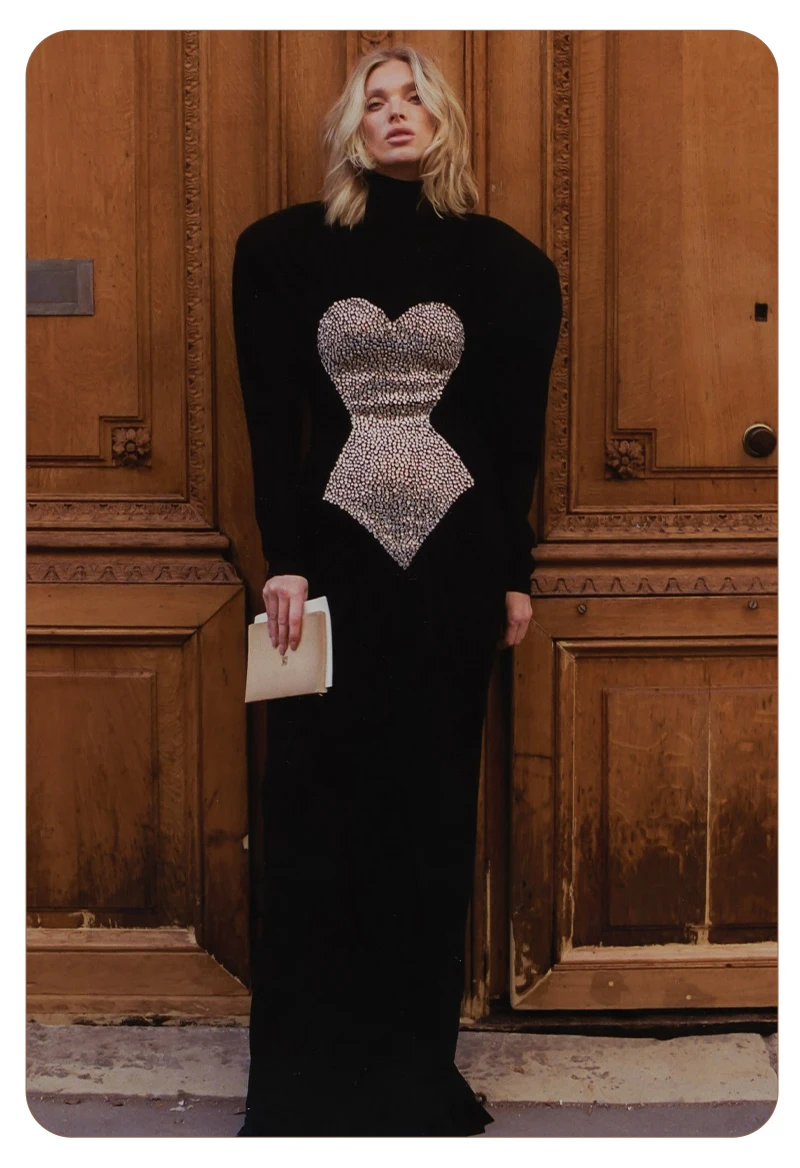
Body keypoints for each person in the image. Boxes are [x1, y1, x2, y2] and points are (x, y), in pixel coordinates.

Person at [231, 43, 562, 1137]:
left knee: (430, 814)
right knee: (314, 813)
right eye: (374, 101)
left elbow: (512, 437)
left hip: (452, 574)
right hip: (328, 573)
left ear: (444, 119)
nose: (395, 112)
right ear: (353, 130)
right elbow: (272, 420)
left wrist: (513, 573)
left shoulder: (505, 265)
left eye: (414, 95)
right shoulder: (281, 252)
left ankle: (411, 1076)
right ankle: (305, 1084)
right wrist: (282, 556)